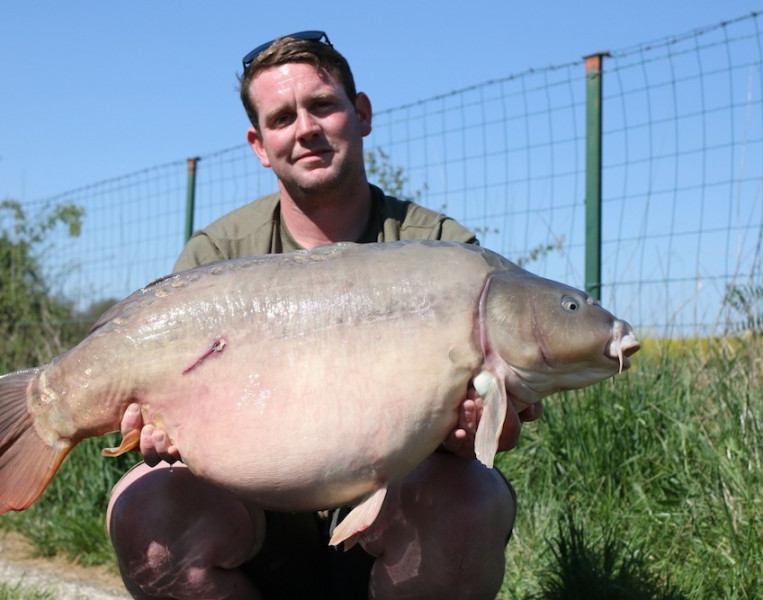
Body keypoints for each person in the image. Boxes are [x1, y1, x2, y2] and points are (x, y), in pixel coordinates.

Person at [106, 30, 542, 599]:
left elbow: (504, 423)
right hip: (257, 516)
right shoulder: (216, 257)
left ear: (360, 113)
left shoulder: (442, 249)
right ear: (259, 144)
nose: (305, 128)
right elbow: (159, 405)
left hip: (394, 509)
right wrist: (155, 426)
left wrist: (483, 427)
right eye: (281, 117)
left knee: (471, 499)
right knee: (143, 505)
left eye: (323, 106)